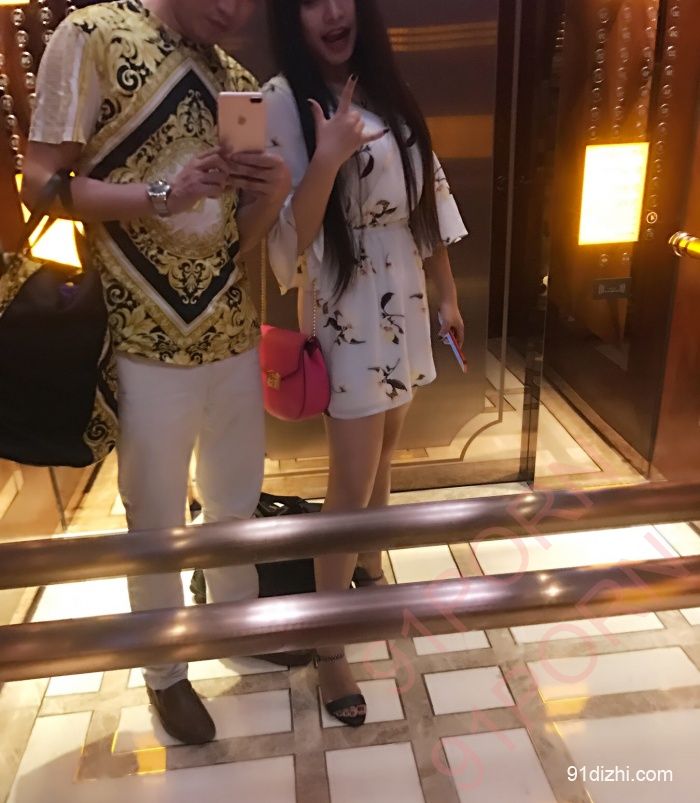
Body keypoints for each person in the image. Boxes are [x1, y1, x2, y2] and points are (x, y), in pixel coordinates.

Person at [22, 0, 291, 745]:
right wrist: (161, 195)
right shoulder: (92, 36)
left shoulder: (233, 78)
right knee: (155, 518)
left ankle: (236, 623)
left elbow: (234, 241)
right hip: (139, 334)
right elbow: (38, 183)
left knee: (235, 497)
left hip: (231, 327)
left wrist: (271, 195)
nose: (234, 10)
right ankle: (165, 673)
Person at [264, 0, 467, 726]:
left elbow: (427, 191)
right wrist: (327, 155)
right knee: (347, 484)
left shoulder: (385, 86)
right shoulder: (283, 101)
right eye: (311, 2)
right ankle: (329, 648)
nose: (332, 13)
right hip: (346, 304)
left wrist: (446, 293)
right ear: (292, 17)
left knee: (385, 451)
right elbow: (287, 238)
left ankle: (371, 569)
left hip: (402, 292)